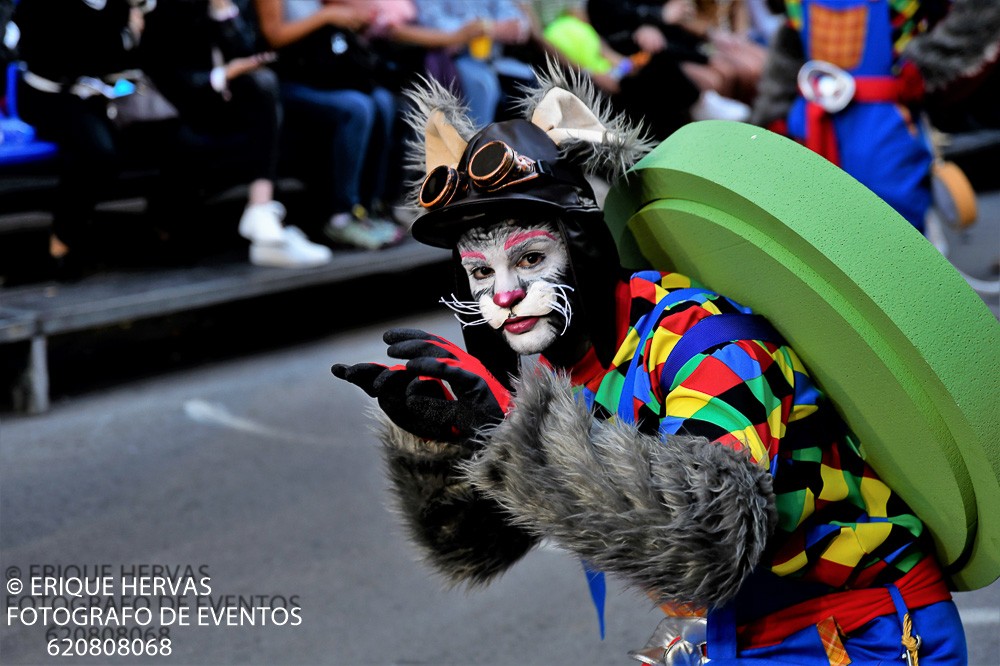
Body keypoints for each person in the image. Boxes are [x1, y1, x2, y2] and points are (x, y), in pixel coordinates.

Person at [332, 63, 969, 663]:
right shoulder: (555, 359)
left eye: (529, 260)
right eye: (480, 272)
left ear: (581, 249)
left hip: (860, 633)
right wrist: (448, 445)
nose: (501, 295)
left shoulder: (709, 342)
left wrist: (514, 430)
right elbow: (473, 548)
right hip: (733, 634)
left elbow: (709, 541)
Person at [750, 0, 1000, 235]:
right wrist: (773, 114)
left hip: (885, 128)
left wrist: (927, 64)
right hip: (813, 125)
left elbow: (983, 10)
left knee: (893, 228)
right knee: (813, 229)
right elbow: (789, 47)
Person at [141, 0, 332, 268]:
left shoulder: (231, 5)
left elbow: (245, 52)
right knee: (264, 114)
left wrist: (223, 13)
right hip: (175, 107)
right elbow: (168, 73)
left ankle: (264, 213)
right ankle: (265, 218)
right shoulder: (170, 9)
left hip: (222, 103)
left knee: (265, 93)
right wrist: (223, 75)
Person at [11, 0, 179, 278]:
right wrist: (121, 38)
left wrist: (133, 28)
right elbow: (57, 54)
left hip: (99, 94)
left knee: (171, 132)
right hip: (49, 95)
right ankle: (61, 244)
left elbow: (121, 55)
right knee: (98, 150)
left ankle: (161, 230)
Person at [252, 0, 405, 250]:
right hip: (290, 79)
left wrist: (356, 16)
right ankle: (340, 216)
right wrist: (327, 16)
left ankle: (368, 207)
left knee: (383, 101)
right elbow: (273, 35)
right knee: (357, 108)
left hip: (328, 73)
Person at [407, 0, 537, 129]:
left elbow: (517, 25)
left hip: (495, 58)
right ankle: (475, 145)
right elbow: (432, 24)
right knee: (483, 84)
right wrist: (475, 30)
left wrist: (487, 28)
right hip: (453, 59)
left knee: (530, 81)